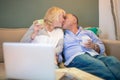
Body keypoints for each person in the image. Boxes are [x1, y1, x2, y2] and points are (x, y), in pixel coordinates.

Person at [62, 13, 120, 80]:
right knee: (98, 65)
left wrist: (93, 46)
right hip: (76, 57)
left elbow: (102, 47)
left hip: (95, 55)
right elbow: (58, 50)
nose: (63, 20)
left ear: (74, 20)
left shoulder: (88, 32)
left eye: (65, 18)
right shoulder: (62, 35)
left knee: (113, 61)